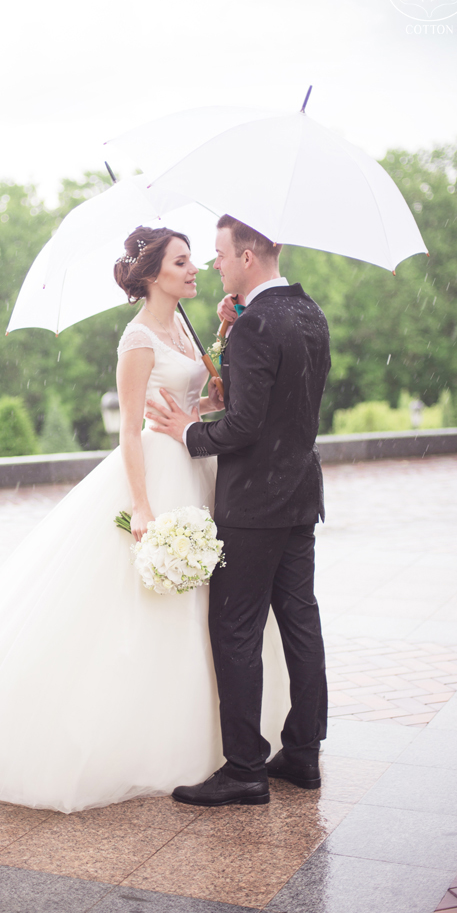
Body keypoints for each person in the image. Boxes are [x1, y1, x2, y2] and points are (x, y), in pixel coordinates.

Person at [0, 225, 290, 814]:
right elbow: (130, 431)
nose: (195, 268)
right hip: (157, 473)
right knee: (147, 608)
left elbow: (190, 403)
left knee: (209, 610)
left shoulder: (184, 326)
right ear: (153, 274)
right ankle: (134, 741)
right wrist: (143, 506)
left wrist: (211, 390)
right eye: (182, 261)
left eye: (195, 259)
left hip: (197, 465)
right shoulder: (137, 339)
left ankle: (218, 740)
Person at [147, 214, 331, 808]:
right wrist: (231, 333)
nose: (215, 264)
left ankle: (245, 769)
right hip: (299, 495)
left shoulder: (257, 325)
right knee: (300, 623)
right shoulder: (309, 312)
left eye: (221, 254)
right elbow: (279, 404)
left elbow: (246, 425)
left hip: (253, 506)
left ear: (247, 258)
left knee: (235, 630)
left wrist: (188, 431)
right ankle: (303, 752)